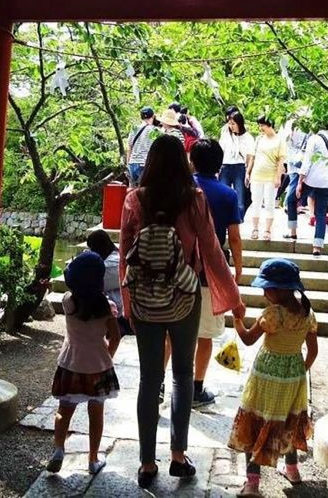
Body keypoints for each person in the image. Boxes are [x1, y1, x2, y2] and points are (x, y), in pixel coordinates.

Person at [119, 135, 246, 488]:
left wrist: (128, 302)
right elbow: (212, 251)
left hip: (145, 300)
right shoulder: (195, 199)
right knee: (182, 375)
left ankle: (146, 463)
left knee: (148, 379)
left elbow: (125, 254)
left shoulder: (134, 199)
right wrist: (233, 297)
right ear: (184, 163)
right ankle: (178, 455)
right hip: (185, 298)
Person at [229, 258, 318, 497]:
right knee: (288, 419)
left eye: (266, 288)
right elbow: (313, 351)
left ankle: (252, 483)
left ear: (278, 290)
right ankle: (292, 470)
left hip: (266, 376)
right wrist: (299, 371)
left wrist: (237, 319)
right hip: (293, 377)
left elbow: (248, 339)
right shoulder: (308, 314)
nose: (264, 292)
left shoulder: (272, 315)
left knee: (257, 421)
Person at [48, 251, 122, 476]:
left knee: (64, 409)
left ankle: (58, 449)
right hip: (98, 366)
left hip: (70, 363)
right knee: (96, 413)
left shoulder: (68, 302)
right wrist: (108, 356)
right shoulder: (106, 308)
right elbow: (115, 336)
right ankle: (92, 459)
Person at [189, 139, 244, 407]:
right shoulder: (227, 195)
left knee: (170, 334)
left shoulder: (183, 190)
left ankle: (163, 385)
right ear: (220, 164)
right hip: (213, 267)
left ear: (192, 160)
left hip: (181, 268)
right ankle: (195, 389)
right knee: (205, 335)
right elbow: (233, 237)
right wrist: (239, 268)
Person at [287, 121, 328, 256]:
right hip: (327, 182)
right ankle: (317, 247)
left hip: (311, 180)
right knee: (321, 214)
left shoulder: (314, 139)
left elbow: (307, 161)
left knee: (291, 199)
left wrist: (300, 182)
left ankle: (293, 232)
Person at [86, 229, 134, 336]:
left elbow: (93, 285)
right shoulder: (111, 258)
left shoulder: (111, 265)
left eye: (92, 248)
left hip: (120, 316)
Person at [245, 116, 286, 241]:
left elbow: (281, 161)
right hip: (257, 175)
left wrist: (278, 177)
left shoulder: (279, 140)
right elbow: (252, 157)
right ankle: (255, 228)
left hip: (270, 175)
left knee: (269, 203)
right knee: (256, 202)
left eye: (262, 125)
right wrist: (248, 172)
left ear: (269, 125)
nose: (260, 128)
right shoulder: (259, 139)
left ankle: (267, 230)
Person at [219, 110, 255, 217]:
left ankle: (237, 222)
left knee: (240, 199)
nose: (231, 126)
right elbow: (220, 152)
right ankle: (223, 221)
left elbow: (251, 157)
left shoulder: (248, 137)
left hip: (239, 168)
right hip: (225, 167)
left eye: (233, 124)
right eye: (229, 123)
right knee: (223, 196)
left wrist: (248, 173)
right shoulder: (226, 136)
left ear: (239, 123)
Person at [127, 107, 160, 187]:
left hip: (132, 163)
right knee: (144, 191)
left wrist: (128, 163)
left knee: (132, 191)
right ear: (153, 116)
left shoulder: (134, 129)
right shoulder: (155, 131)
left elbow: (129, 147)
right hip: (145, 164)